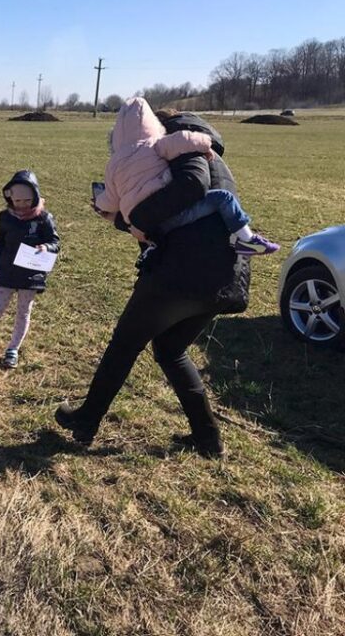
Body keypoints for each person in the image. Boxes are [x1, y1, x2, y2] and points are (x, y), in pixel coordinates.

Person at [55, 114, 252, 458]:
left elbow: (188, 189)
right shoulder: (201, 153)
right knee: (170, 349)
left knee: (124, 344)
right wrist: (120, 218)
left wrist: (133, 217)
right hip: (220, 277)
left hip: (181, 273)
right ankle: (207, 438)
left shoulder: (183, 148)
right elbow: (172, 213)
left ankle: (86, 420)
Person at [94, 97, 279, 256]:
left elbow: (110, 198)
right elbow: (185, 139)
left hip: (145, 225)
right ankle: (247, 240)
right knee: (224, 198)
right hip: (172, 216)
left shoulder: (114, 163)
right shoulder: (156, 144)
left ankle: (152, 249)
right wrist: (206, 145)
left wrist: (100, 204)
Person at [0, 170, 60, 368]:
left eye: (27, 200)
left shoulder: (44, 218)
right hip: (7, 274)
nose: (22, 205)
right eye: (18, 201)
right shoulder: (6, 218)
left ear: (35, 196)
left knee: (23, 312)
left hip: (30, 275)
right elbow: (0, 244)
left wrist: (47, 247)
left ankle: (13, 349)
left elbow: (54, 241)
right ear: (9, 197)